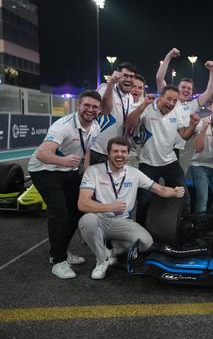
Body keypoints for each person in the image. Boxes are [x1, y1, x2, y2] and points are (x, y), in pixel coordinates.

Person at [78, 137, 185, 280]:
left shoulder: (134, 173)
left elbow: (159, 189)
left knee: (146, 243)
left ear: (128, 154)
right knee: (87, 220)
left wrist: (175, 191)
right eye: (115, 151)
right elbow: (83, 204)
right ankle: (101, 261)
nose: (119, 155)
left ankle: (113, 252)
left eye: (123, 151)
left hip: (123, 222)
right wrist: (110, 207)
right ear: (108, 153)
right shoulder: (93, 171)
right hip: (100, 219)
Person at [28, 90, 102, 279]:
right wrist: (64, 161)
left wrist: (86, 173)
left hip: (67, 171)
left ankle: (62, 250)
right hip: (44, 170)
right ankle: (57, 260)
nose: (90, 109)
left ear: (99, 109)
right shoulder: (63, 126)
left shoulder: (96, 126)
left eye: (94, 106)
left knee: (77, 209)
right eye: (86, 105)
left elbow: (86, 152)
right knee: (59, 211)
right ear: (78, 105)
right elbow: (42, 154)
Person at [124, 85, 200, 226]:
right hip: (148, 163)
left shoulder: (176, 111)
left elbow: (184, 135)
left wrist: (192, 125)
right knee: (145, 199)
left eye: (175, 101)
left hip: (170, 161)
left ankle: (184, 228)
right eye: (169, 99)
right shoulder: (147, 108)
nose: (171, 103)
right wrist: (143, 104)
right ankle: (142, 231)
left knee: (183, 195)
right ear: (160, 97)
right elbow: (129, 124)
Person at [156, 48, 213, 159]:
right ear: (177, 89)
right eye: (183, 87)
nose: (186, 90)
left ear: (192, 92)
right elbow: (159, 78)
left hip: (175, 149)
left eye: (189, 88)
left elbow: (210, 91)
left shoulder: (192, 105)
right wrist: (169, 56)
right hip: (159, 145)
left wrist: (212, 71)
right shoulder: (168, 99)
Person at [91, 62, 137, 165]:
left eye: (132, 76)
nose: (129, 79)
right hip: (97, 149)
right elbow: (106, 109)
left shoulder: (130, 98)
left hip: (114, 152)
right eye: (125, 75)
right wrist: (111, 83)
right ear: (118, 75)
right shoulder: (105, 88)